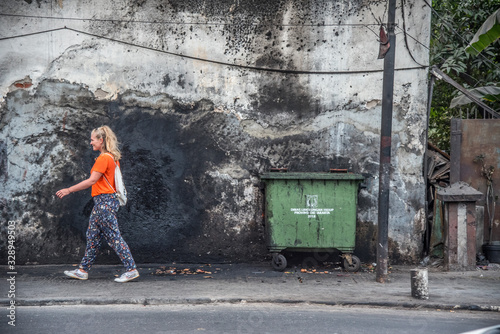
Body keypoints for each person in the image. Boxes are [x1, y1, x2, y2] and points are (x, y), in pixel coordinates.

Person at [56, 126, 139, 283]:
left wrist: (69, 189)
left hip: (104, 202)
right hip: (104, 202)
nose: (90, 142)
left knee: (114, 237)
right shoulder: (111, 158)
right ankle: (82, 270)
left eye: (93, 139)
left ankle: (131, 269)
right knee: (93, 236)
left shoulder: (104, 158)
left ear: (101, 140)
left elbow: (92, 181)